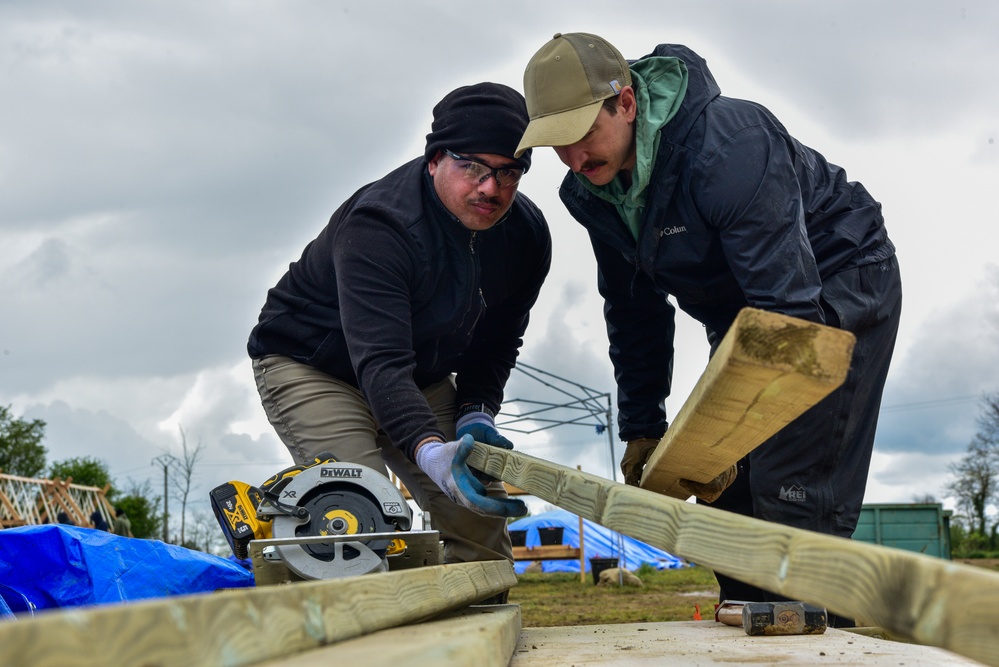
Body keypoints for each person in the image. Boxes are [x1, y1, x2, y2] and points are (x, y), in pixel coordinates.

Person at [516, 33, 901, 617]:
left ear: (625, 103)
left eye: (581, 135)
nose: (572, 158)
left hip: (836, 279)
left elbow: (790, 317)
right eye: (556, 145)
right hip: (742, 309)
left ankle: (819, 627)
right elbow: (633, 310)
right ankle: (753, 621)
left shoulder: (730, 144)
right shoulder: (590, 193)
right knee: (724, 490)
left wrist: (739, 423)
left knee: (788, 473)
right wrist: (645, 425)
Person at [247, 82, 552, 569]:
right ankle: (368, 619)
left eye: (508, 172)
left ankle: (480, 626)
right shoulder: (380, 226)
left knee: (477, 514)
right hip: (315, 364)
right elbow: (381, 360)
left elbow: (497, 339)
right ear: (434, 160)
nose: (490, 188)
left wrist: (476, 411)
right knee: (366, 519)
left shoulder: (525, 236)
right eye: (471, 166)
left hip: (417, 373)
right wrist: (430, 450)